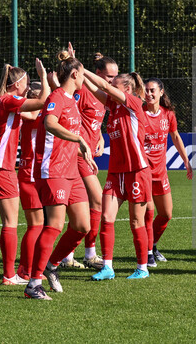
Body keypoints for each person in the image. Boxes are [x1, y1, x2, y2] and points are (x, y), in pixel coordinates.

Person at [24, 51, 96, 300]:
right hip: (53, 170)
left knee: (82, 226)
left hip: (71, 171)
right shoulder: (56, 97)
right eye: (83, 73)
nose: (85, 77)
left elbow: (69, 134)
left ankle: (52, 265)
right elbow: (50, 124)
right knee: (54, 225)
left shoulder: (71, 98)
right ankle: (34, 284)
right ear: (76, 74)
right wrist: (79, 139)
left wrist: (83, 152)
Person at [0, 59, 49, 285]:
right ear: (17, 85)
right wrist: (44, 77)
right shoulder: (10, 99)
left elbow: (32, 115)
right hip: (0, 166)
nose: (27, 89)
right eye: (25, 84)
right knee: (10, 223)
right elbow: (43, 101)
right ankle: (9, 275)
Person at [82, 70, 153, 280]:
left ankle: (142, 268)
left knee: (136, 222)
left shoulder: (132, 102)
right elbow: (95, 89)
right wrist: (76, 67)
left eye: (115, 83)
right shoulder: (112, 105)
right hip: (116, 172)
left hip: (137, 171)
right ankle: (108, 267)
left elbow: (102, 87)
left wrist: (83, 68)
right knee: (106, 217)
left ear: (127, 89)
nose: (109, 84)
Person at [58, 48, 117, 270]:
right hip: (78, 154)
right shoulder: (81, 90)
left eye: (115, 76)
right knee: (98, 201)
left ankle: (72, 255)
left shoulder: (104, 97)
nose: (113, 80)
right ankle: (87, 254)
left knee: (84, 206)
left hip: (90, 152)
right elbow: (70, 118)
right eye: (109, 77)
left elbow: (91, 119)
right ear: (97, 74)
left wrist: (100, 136)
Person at [142, 77, 193, 267]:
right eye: (146, 90)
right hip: (143, 172)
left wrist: (186, 161)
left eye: (152, 90)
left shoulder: (168, 114)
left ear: (161, 92)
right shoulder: (139, 113)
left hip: (160, 172)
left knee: (166, 214)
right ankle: (146, 254)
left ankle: (152, 246)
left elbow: (176, 136)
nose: (149, 94)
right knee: (148, 212)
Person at [16, 82, 44, 280]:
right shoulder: (35, 116)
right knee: (36, 225)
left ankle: (30, 267)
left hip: (36, 174)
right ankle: (25, 269)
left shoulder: (36, 115)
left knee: (39, 225)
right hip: (30, 175)